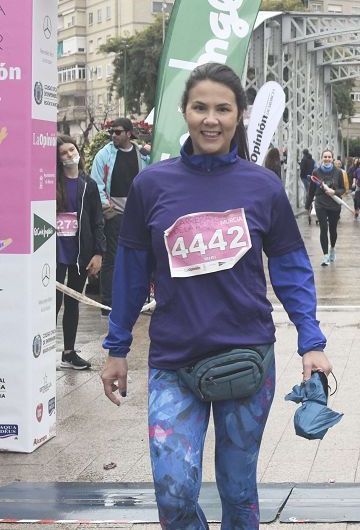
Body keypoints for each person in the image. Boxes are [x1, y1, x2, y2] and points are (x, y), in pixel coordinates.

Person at [100, 63, 331, 528]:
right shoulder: (152, 186)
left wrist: (312, 340)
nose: (211, 119)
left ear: (239, 116)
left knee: (239, 488)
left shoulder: (262, 186)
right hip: (173, 360)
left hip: (247, 358)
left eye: (223, 109)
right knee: (173, 489)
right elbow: (129, 272)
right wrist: (116, 348)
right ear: (184, 112)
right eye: (200, 107)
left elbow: (290, 269)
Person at [90, 117, 150, 316]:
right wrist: (108, 211)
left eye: (118, 132)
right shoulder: (104, 154)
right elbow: (96, 183)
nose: (114, 135)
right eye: (112, 132)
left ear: (129, 133)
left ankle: (135, 300)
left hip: (137, 214)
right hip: (114, 214)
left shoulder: (142, 154)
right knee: (112, 259)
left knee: (137, 257)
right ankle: (108, 303)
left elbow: (152, 174)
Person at [55, 135, 105, 370]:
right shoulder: (51, 182)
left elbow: (98, 221)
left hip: (80, 252)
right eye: (63, 153)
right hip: (55, 250)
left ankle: (69, 353)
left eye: (71, 150)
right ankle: (41, 352)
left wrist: (98, 253)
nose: (69, 155)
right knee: (52, 302)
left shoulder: (89, 184)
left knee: (73, 301)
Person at [307, 150, 345, 266]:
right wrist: (307, 205)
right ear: (322, 158)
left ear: (332, 159)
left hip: (334, 204)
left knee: (333, 230)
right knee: (323, 228)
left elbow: (343, 189)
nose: (327, 159)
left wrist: (334, 191)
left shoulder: (338, 172)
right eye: (325, 157)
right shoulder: (316, 172)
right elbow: (311, 190)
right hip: (321, 203)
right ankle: (325, 255)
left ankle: (332, 248)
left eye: (329, 157)